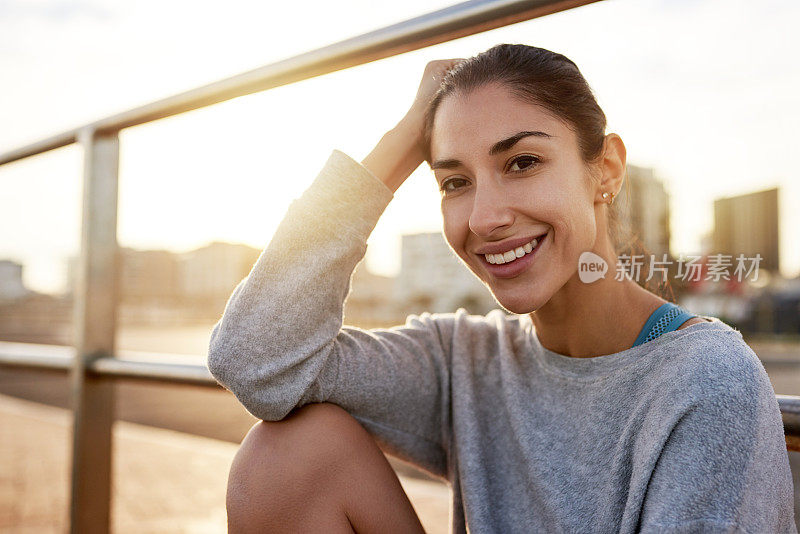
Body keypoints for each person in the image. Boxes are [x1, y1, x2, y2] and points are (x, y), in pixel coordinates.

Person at [207, 44, 796, 533]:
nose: (485, 217)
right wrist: (401, 141)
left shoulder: (705, 378)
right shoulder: (465, 360)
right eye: (455, 181)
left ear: (606, 172)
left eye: (522, 162)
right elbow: (256, 359)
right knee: (283, 457)